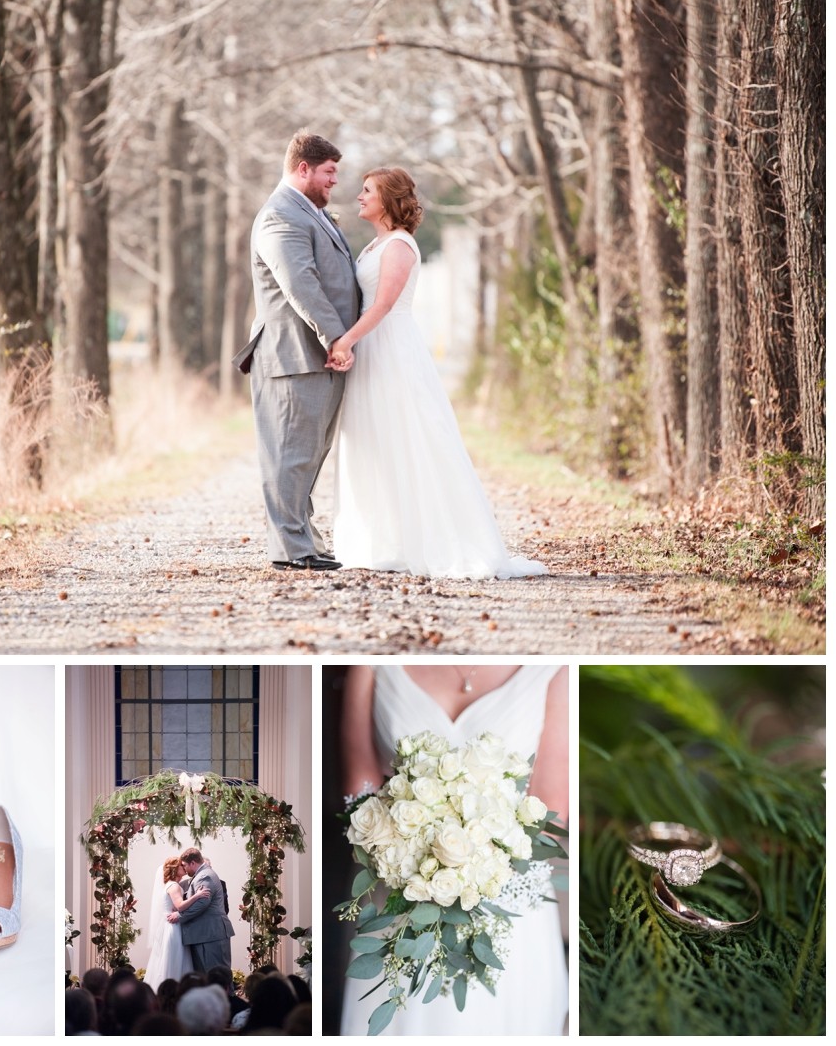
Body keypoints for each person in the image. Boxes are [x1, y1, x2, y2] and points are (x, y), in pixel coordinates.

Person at [327, 167, 548, 579]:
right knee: (375, 438)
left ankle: (431, 539)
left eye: (368, 190)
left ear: (387, 199)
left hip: (391, 348)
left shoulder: (399, 245)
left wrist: (346, 341)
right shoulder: (375, 245)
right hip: (372, 346)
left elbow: (383, 305)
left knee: (409, 435)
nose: (359, 196)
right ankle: (383, 539)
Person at [337, 664, 569, 1036]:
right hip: (397, 892)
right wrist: (405, 852)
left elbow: (551, 805)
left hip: (504, 897)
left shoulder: (555, 667)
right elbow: (358, 789)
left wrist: (476, 866)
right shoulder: (371, 660)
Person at [233, 129, 360, 572]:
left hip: (315, 358)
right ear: (303, 168)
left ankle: (305, 539)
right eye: (329, 172)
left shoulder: (310, 212)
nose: (335, 181)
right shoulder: (279, 216)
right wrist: (336, 338)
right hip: (293, 356)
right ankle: (290, 549)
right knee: (290, 455)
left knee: (309, 455)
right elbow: (300, 283)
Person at [143, 856, 212, 987]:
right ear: (175, 869)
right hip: (173, 927)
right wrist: (197, 896)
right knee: (175, 958)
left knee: (169, 959)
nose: (184, 867)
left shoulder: (171, 885)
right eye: (181, 865)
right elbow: (180, 906)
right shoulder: (174, 886)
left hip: (168, 926)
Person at [166, 848, 235, 972]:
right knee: (207, 976)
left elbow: (202, 903)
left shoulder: (204, 876)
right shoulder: (202, 875)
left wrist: (180, 915)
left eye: (185, 865)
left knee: (216, 975)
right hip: (205, 934)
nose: (185, 869)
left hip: (210, 934)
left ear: (193, 863)